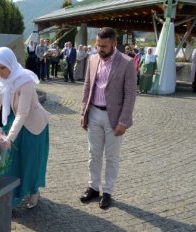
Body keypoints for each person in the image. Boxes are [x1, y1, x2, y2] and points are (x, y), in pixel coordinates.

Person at [79, 27, 136, 209]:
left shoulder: (127, 63)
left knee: (112, 157)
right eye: (97, 45)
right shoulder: (92, 59)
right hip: (94, 113)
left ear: (114, 44)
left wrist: (124, 121)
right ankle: (93, 187)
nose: (99, 49)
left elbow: (130, 94)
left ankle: (108, 191)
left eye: (104, 46)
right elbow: (87, 86)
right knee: (93, 154)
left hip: (115, 117)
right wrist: (83, 113)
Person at [0, 47, 51, 209]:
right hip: (12, 121)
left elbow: (23, 113)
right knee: (10, 162)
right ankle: (13, 196)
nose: (0, 72)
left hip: (33, 126)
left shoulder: (24, 80)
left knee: (30, 161)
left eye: (3, 67)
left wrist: (9, 138)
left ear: (11, 64)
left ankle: (33, 190)